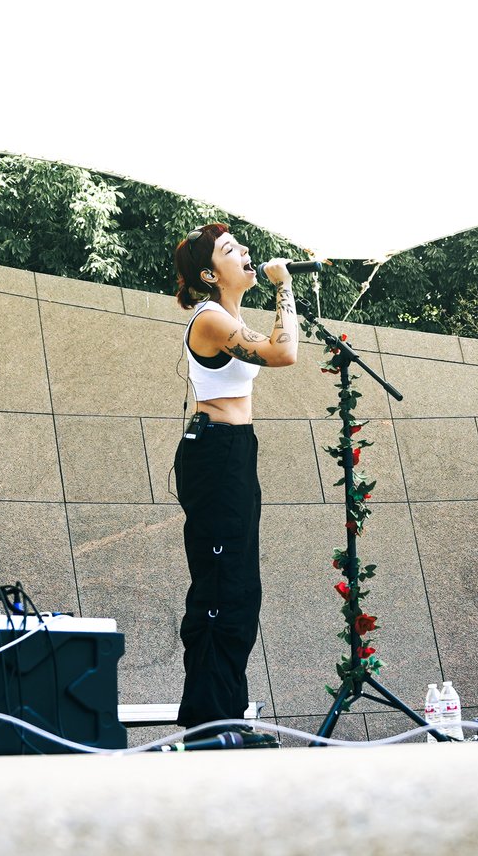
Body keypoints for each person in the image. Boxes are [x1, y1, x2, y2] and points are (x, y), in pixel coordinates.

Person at [168, 222, 302, 733]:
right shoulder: (209, 318)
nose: (245, 250)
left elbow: (274, 346)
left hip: (234, 450)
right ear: (209, 274)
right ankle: (207, 721)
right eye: (230, 249)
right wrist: (284, 286)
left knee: (241, 588)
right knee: (223, 587)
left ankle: (227, 713)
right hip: (215, 453)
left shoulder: (230, 317)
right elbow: (283, 352)